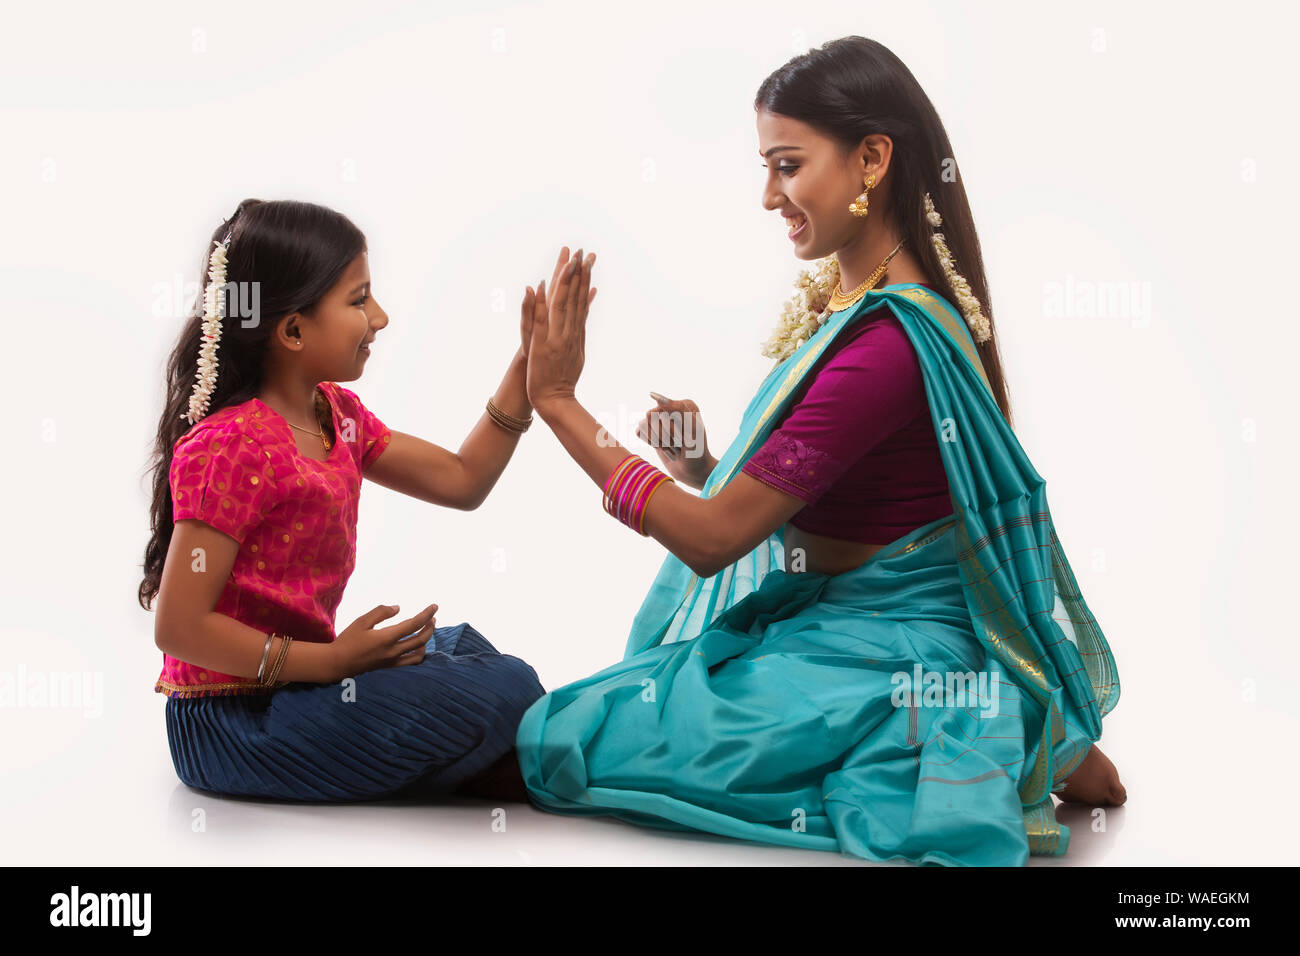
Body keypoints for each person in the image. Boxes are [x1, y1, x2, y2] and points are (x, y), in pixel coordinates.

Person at [512, 36, 1125, 866]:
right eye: (766, 168)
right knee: (610, 716)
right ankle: (1017, 727)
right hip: (836, 622)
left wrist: (557, 405)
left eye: (788, 165)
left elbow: (714, 541)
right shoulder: (867, 312)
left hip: (896, 641)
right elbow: (824, 492)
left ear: (872, 158)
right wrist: (702, 466)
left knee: (570, 737)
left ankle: (988, 725)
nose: (770, 195)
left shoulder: (887, 345)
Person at [139, 198, 550, 802]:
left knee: (461, 649)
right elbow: (178, 627)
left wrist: (528, 368)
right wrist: (333, 665)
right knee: (507, 686)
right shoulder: (230, 446)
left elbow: (463, 480)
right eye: (359, 300)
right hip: (233, 722)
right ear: (293, 330)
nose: (380, 317)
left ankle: (472, 759)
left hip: (304, 685)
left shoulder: (337, 416)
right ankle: (494, 762)